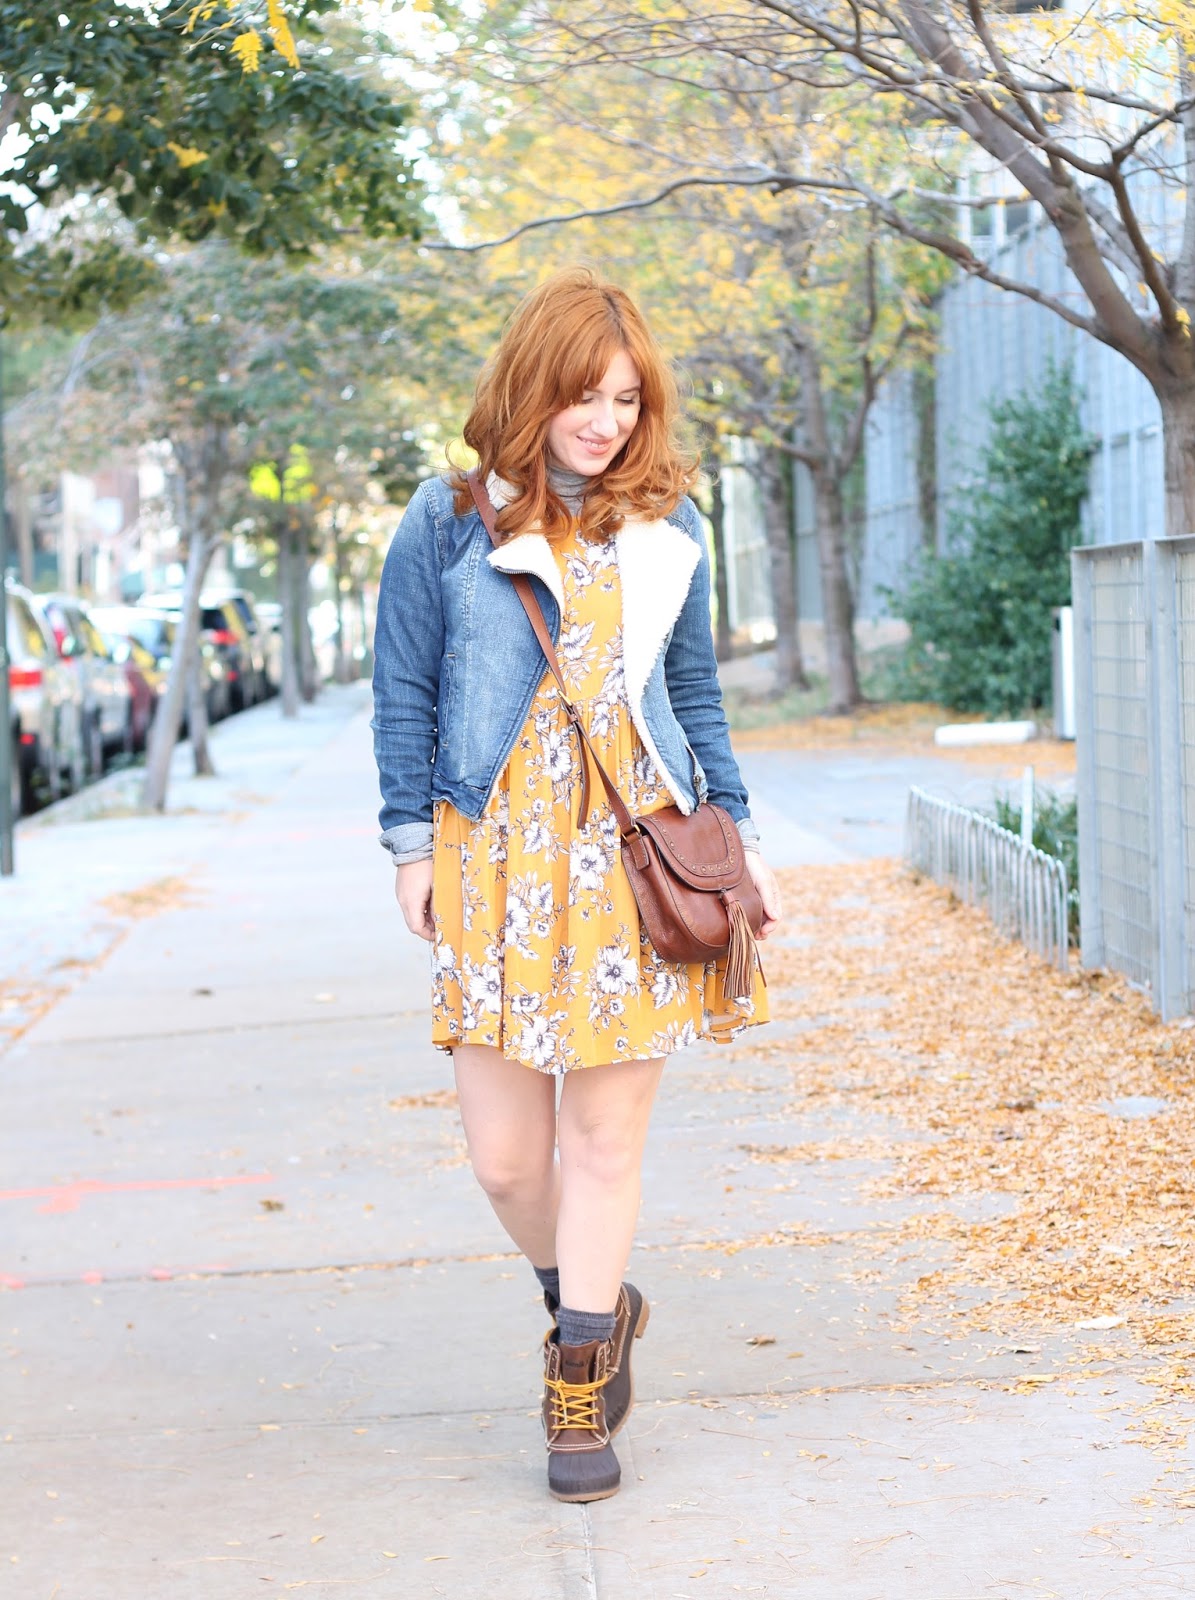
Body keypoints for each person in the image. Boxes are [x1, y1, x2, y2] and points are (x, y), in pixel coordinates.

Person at [372, 266, 782, 1503]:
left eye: (624, 398)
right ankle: (592, 1301)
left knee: (601, 1141)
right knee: (507, 1161)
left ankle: (576, 1378)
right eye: (581, 395)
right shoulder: (448, 519)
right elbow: (403, 688)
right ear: (531, 388)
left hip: (628, 855)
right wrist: (409, 845)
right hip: (493, 853)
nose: (604, 422)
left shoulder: (668, 521)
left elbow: (692, 694)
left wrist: (735, 837)